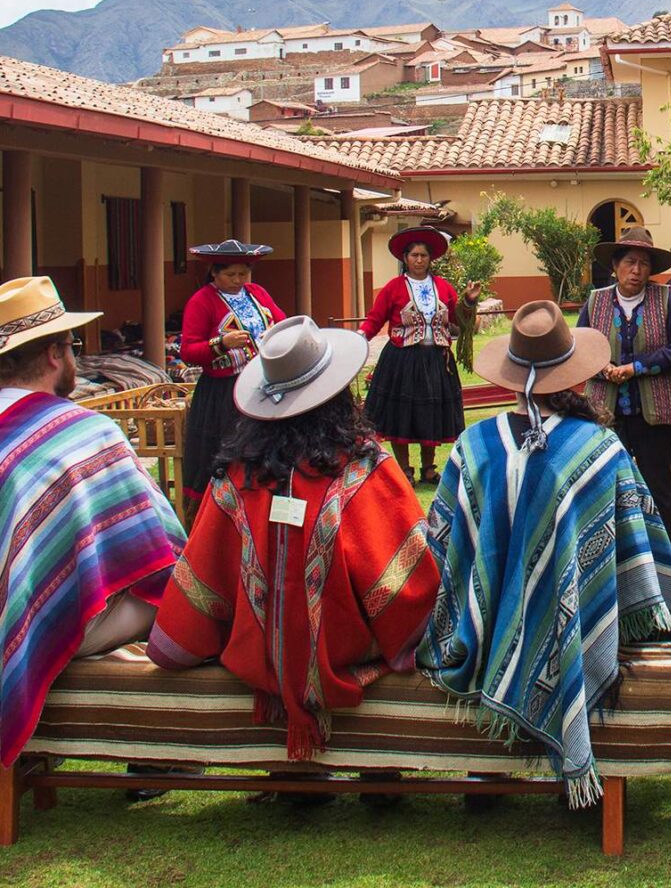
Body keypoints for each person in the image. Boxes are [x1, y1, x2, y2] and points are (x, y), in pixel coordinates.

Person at [419, 300, 671, 807]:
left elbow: (441, 542)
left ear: (511, 374)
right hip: (577, 626)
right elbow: (638, 539)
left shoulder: (473, 445)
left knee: (495, 612)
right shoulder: (598, 447)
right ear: (574, 376)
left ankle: (487, 772)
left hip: (477, 636)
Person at [148, 316, 439, 763]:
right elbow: (410, 588)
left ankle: (290, 770)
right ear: (339, 393)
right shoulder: (364, 468)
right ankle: (381, 774)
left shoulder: (235, 477)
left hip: (254, 651)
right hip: (350, 649)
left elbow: (204, 578)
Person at [1, 276, 185, 767]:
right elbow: (158, 546)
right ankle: (163, 751)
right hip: (32, 627)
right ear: (56, 355)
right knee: (178, 590)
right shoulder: (84, 432)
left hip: (14, 614)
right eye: (73, 345)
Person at [576, 227, 671, 542]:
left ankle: (665, 557)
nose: (637, 270)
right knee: (606, 485)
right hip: (605, 412)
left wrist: (636, 367)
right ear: (615, 265)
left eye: (644, 263)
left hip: (654, 413)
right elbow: (580, 346)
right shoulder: (596, 302)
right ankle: (610, 552)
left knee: (658, 486)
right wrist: (604, 368)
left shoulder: (668, 300)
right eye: (629, 262)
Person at [360, 222, 481, 485]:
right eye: (414, 255)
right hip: (402, 360)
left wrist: (469, 301)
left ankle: (428, 467)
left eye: (423, 255)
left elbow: (457, 321)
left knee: (430, 413)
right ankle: (404, 468)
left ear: (430, 259)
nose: (418, 260)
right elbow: (375, 318)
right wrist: (359, 340)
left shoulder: (443, 287)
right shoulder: (393, 287)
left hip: (435, 360)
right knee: (400, 413)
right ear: (405, 258)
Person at [180, 239, 285, 523]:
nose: (238, 280)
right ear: (214, 272)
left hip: (261, 386)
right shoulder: (202, 301)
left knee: (264, 448)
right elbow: (188, 351)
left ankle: (261, 507)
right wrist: (221, 343)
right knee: (228, 452)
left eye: (243, 274)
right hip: (223, 393)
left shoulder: (257, 294)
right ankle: (220, 515)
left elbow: (281, 321)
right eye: (230, 275)